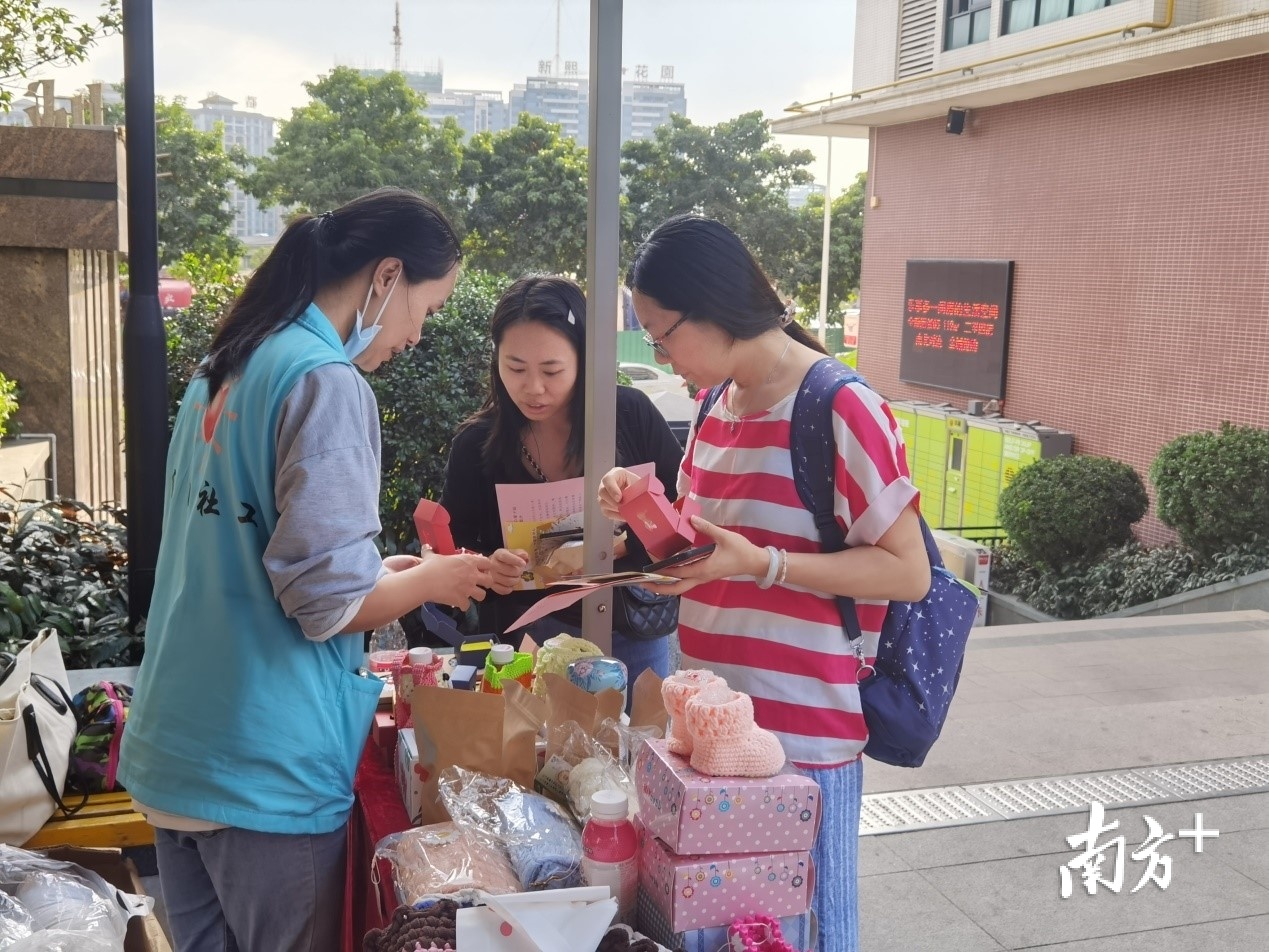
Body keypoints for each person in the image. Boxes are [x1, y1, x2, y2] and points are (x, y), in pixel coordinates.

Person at [118, 188, 499, 952]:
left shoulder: (227, 364)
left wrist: (378, 569)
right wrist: (429, 580)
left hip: (178, 746)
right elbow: (324, 605)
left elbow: (243, 545)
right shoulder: (325, 380)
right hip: (263, 761)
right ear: (385, 275)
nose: (418, 336)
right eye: (425, 307)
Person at [597, 215, 931, 952]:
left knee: (795, 934)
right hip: (711, 725)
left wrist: (760, 564)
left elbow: (905, 572)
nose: (657, 354)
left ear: (711, 310)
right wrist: (643, 521)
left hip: (801, 734)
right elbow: (706, 540)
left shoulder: (838, 407)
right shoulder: (716, 405)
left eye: (659, 335)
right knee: (717, 933)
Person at [441, 274, 683, 681]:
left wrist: (620, 543)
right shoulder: (477, 443)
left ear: (584, 360)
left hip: (629, 630)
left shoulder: (630, 415)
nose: (532, 388)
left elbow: (682, 515)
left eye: (552, 371)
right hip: (529, 641)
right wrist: (486, 566)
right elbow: (452, 547)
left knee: (639, 740)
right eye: (514, 367)